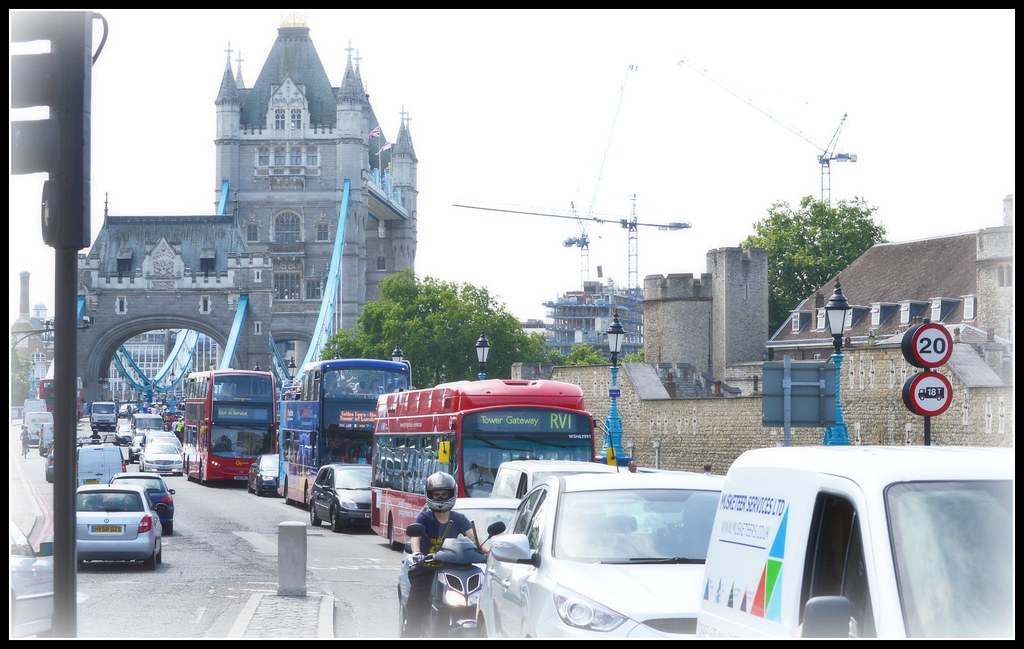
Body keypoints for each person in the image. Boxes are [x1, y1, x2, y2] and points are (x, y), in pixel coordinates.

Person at [405, 472, 486, 637]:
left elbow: (477, 539)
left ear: (451, 494)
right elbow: (416, 537)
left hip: (452, 570)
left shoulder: (459, 519)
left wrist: (491, 552)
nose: (441, 498)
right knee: (416, 609)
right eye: (437, 494)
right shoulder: (425, 517)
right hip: (427, 569)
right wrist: (417, 552)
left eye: (444, 494)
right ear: (430, 495)